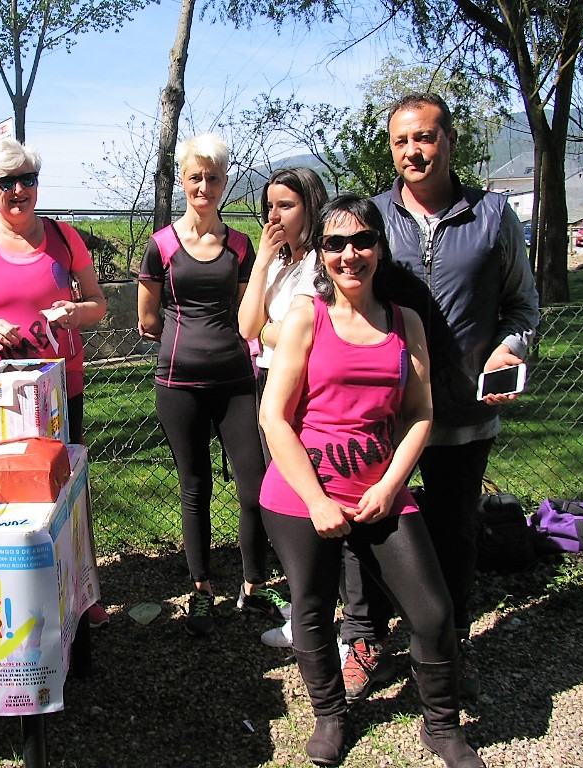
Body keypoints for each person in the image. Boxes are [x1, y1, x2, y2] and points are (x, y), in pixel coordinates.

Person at [260, 193, 485, 768]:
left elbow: (420, 413)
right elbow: (273, 418)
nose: (349, 254)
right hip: (302, 496)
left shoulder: (405, 322)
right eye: (335, 243)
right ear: (321, 253)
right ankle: (331, 716)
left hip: (380, 492)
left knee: (432, 612)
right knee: (312, 610)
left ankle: (442, 726)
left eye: (362, 241)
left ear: (380, 249)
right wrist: (317, 501)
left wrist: (389, 486)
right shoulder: (306, 316)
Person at [337, 93, 539, 704]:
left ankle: (448, 643)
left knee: (455, 531)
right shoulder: (371, 216)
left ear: (449, 140)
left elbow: (523, 307)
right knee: (366, 526)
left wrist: (511, 350)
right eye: (400, 141)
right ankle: (365, 637)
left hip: (462, 413)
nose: (413, 152)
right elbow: (340, 296)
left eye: (424, 137)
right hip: (381, 416)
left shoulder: (493, 215)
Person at [0, 138, 110, 628]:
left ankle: (80, 589)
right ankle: (7, 587)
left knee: (66, 488)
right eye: (5, 182)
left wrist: (77, 311)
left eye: (27, 180)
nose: (18, 191)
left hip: (57, 391)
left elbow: (98, 303)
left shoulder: (64, 237)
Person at [137, 133, 284, 637]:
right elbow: (148, 320)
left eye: (214, 178)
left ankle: (254, 586)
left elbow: (249, 310)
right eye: (195, 177)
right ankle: (201, 589)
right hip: (178, 384)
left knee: (254, 486)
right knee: (194, 487)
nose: (204, 186)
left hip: (236, 382)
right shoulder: (160, 246)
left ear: (224, 183)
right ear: (182, 180)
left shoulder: (240, 245)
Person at [236, 168, 328, 647]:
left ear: (311, 206)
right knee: (283, 491)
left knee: (304, 489)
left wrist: (273, 330)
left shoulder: (320, 263)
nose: (274, 215)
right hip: (268, 380)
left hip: (305, 387)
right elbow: (246, 325)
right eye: (269, 206)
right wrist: (261, 263)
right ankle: (307, 601)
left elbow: (305, 335)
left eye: (286, 205)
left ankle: (318, 614)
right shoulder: (278, 262)